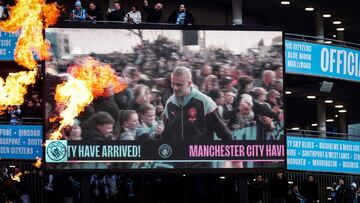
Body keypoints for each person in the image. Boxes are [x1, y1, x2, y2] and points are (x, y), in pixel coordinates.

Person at [161, 66, 233, 140]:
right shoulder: (169, 103)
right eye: (173, 84)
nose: (175, 88)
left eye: (179, 84)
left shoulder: (205, 102)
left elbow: (223, 132)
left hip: (200, 151)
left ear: (189, 83)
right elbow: (166, 134)